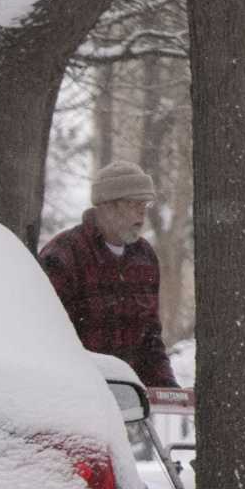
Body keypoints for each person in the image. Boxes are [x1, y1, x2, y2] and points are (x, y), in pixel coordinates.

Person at [39, 159, 179, 388]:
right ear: (108, 205)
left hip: (132, 402)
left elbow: (150, 338)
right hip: (78, 395)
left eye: (145, 206)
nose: (142, 214)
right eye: (134, 204)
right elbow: (50, 338)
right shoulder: (64, 254)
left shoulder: (145, 257)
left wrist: (167, 388)